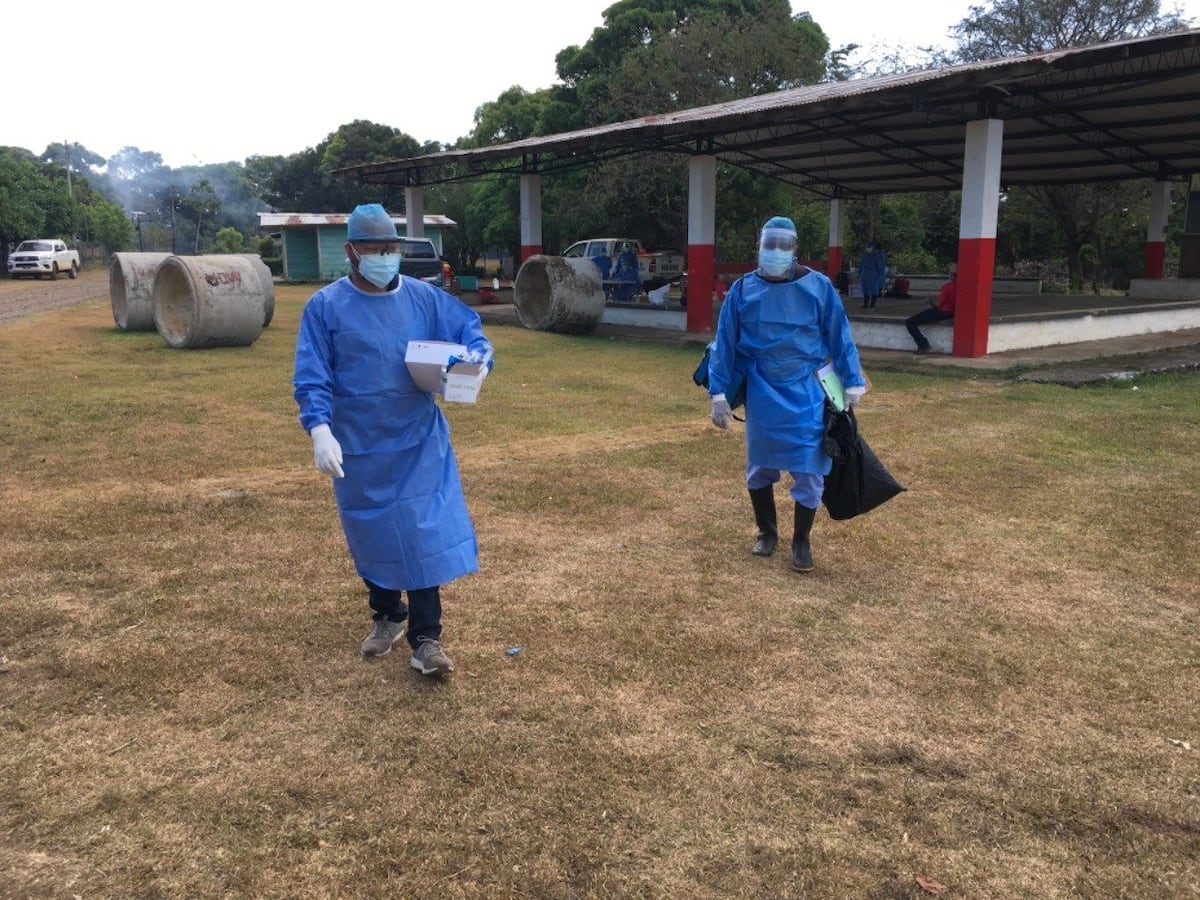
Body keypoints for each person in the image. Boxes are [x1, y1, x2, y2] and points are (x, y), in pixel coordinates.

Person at [293, 203, 494, 676]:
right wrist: (320, 430)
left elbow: (468, 330)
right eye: (375, 249)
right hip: (358, 444)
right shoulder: (326, 307)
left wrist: (478, 358)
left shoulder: (424, 299)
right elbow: (313, 374)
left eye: (391, 248)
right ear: (351, 251)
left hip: (416, 441)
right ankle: (387, 615)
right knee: (373, 534)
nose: (386, 257)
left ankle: (428, 640)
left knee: (421, 534)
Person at [708, 216, 868, 573]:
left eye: (784, 245)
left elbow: (838, 334)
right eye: (770, 244)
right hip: (762, 388)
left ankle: (801, 540)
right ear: (758, 248)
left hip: (806, 389)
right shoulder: (742, 290)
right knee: (760, 464)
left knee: (810, 468)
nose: (776, 251)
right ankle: (767, 531)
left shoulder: (819, 287)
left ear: (795, 250)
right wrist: (717, 393)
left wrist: (852, 381)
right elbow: (726, 343)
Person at [905, 263, 957, 354]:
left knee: (910, 322)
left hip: (943, 312)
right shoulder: (963, 286)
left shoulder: (949, 287)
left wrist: (929, 301)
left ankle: (923, 345)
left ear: (952, 274)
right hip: (953, 312)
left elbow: (938, 303)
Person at [859, 242, 886, 309]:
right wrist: (859, 274)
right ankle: (865, 304)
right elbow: (861, 265)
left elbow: (880, 267)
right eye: (867, 247)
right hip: (864, 275)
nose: (868, 248)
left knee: (874, 290)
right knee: (866, 290)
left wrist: (880, 277)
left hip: (873, 276)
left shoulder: (876, 256)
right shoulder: (865, 255)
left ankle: (872, 304)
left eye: (869, 247)